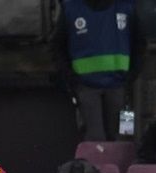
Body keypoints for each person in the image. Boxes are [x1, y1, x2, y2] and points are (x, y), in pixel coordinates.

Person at [51, 0, 146, 141]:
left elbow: (140, 44)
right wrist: (71, 78)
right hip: (86, 87)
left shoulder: (126, 7)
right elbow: (57, 47)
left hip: (120, 87)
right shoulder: (71, 8)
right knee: (94, 140)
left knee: (122, 138)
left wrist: (131, 76)